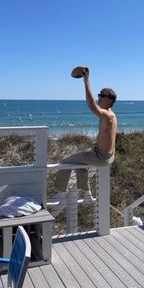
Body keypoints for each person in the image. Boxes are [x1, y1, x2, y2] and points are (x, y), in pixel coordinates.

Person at [54, 67, 117, 198]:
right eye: (99, 95)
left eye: (102, 96)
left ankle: (59, 193)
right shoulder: (111, 115)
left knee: (65, 162)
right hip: (106, 155)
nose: (99, 98)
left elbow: (91, 106)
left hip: (101, 156)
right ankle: (86, 194)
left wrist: (86, 82)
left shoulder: (107, 115)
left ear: (110, 100)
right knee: (80, 164)